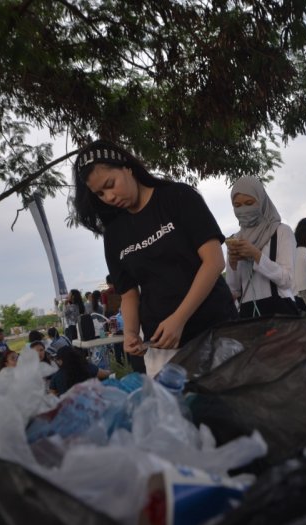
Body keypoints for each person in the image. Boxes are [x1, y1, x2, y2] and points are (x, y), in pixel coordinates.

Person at [69, 139, 237, 377]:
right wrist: (130, 333)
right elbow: (128, 293)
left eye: (110, 184)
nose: (109, 197)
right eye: (100, 193)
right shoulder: (115, 234)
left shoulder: (178, 197)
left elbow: (214, 262)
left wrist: (179, 319)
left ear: (127, 168)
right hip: (162, 347)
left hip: (215, 330)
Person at [225, 176, 298, 318]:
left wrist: (256, 256)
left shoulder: (281, 231)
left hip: (279, 310)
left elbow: (287, 280)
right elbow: (233, 290)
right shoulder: (237, 238)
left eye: (249, 203)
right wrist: (233, 264)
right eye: (237, 206)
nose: (244, 210)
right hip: (248, 312)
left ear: (262, 202)